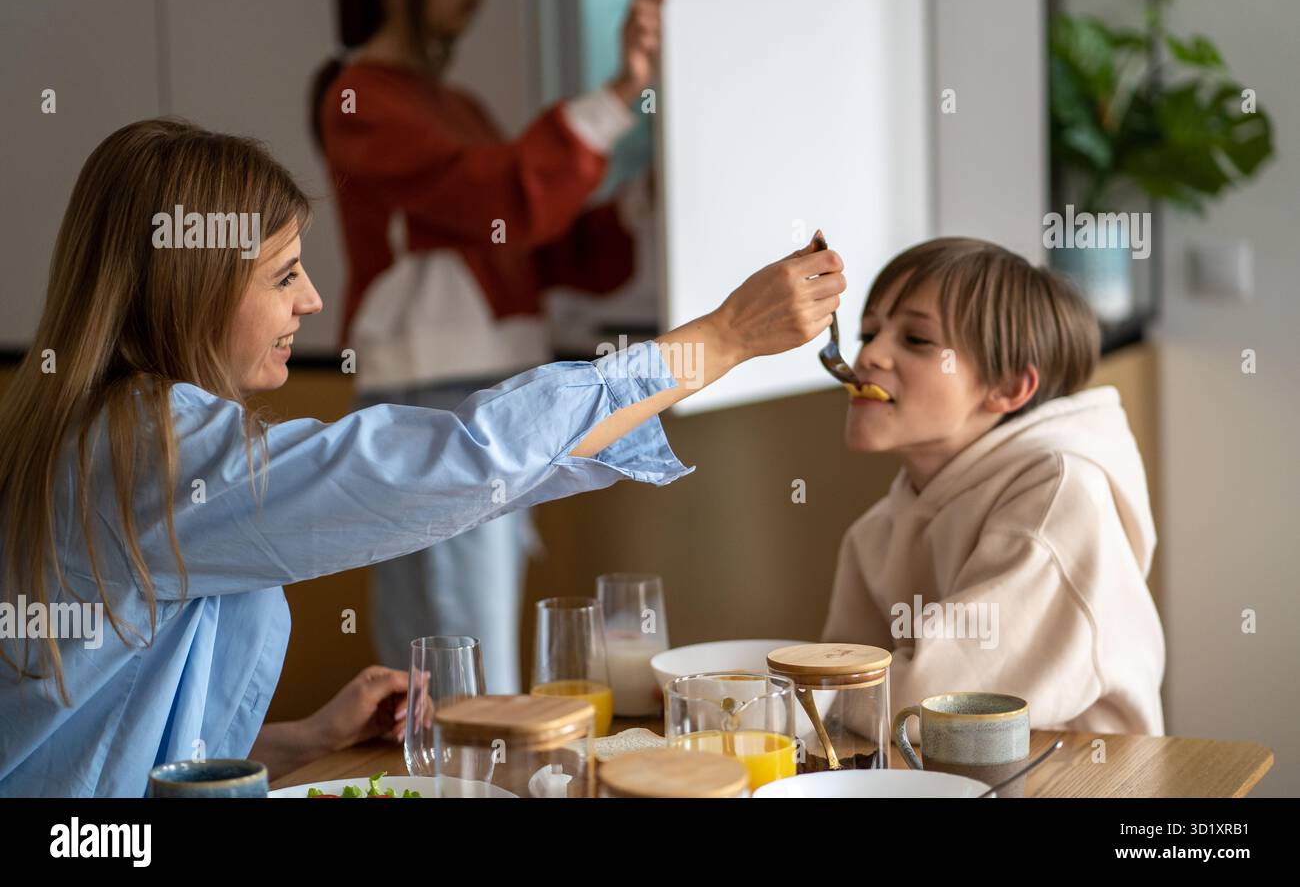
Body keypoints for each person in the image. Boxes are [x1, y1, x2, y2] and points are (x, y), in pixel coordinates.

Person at [0, 118, 845, 795]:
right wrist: (720, 340)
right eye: (284, 275)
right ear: (193, 285)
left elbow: (119, 737)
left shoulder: (115, 431)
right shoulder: (144, 454)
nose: (314, 300)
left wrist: (307, 738)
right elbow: (458, 463)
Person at [310, 0, 665, 689]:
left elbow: (544, 249)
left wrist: (645, 197)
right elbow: (503, 198)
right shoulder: (357, 98)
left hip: (489, 389)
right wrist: (618, 93)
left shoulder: (457, 106)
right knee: (459, 663)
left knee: (469, 653)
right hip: (433, 396)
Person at [821, 238, 1165, 735]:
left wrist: (809, 693)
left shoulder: (1058, 501)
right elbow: (834, 689)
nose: (868, 357)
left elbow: (930, 706)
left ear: (1008, 387)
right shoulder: (874, 532)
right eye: (868, 332)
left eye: (916, 340)